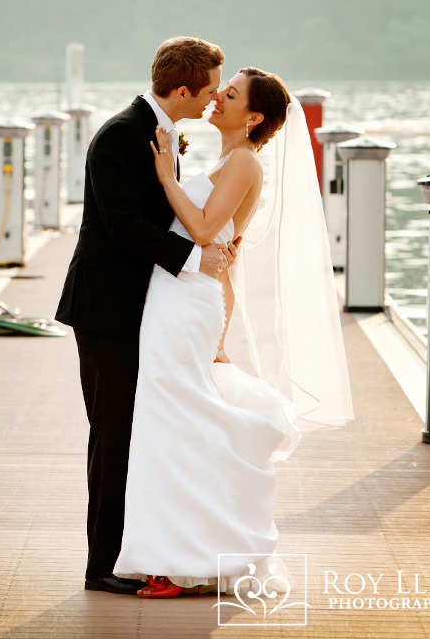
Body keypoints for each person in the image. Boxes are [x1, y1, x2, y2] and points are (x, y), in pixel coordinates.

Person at [112, 67, 354, 598]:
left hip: (184, 302)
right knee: (168, 420)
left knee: (174, 420)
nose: (218, 96)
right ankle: (180, 552)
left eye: (232, 93)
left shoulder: (244, 162)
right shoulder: (228, 159)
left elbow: (203, 233)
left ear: (255, 116)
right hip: (175, 298)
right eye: (222, 89)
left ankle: (181, 556)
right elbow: (225, 252)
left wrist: (168, 179)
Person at [55, 36, 240, 595]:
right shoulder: (119, 135)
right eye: (208, 89)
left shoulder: (159, 133)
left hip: (143, 307)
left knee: (135, 432)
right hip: (106, 308)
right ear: (181, 89)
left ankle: (132, 548)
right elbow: (120, 225)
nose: (212, 99)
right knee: (112, 434)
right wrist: (195, 257)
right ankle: (100, 566)